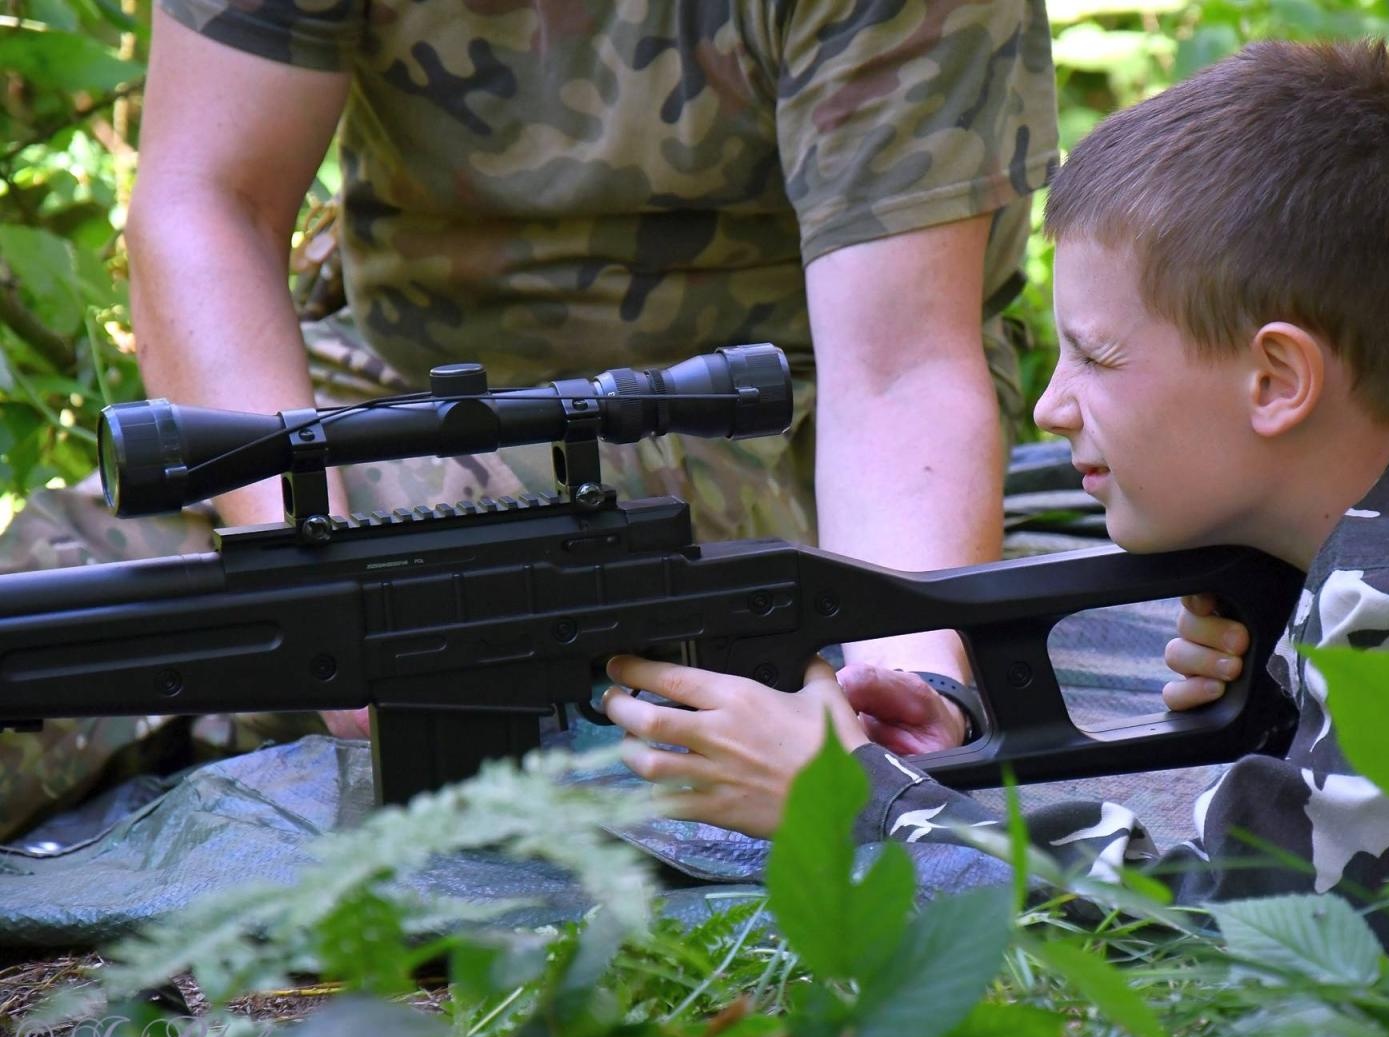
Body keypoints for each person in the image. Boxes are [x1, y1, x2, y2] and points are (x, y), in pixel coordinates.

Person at [601, 38, 1389, 948]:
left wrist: (856, 798)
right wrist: (1289, 645)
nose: (1047, 407)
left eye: (1095, 356)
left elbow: (1249, 938)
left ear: (1276, 382)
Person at [0, 2, 1062, 840]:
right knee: (73, 595)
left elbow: (900, 369)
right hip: (399, 381)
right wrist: (300, 552)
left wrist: (911, 694)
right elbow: (202, 204)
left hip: (769, 400)